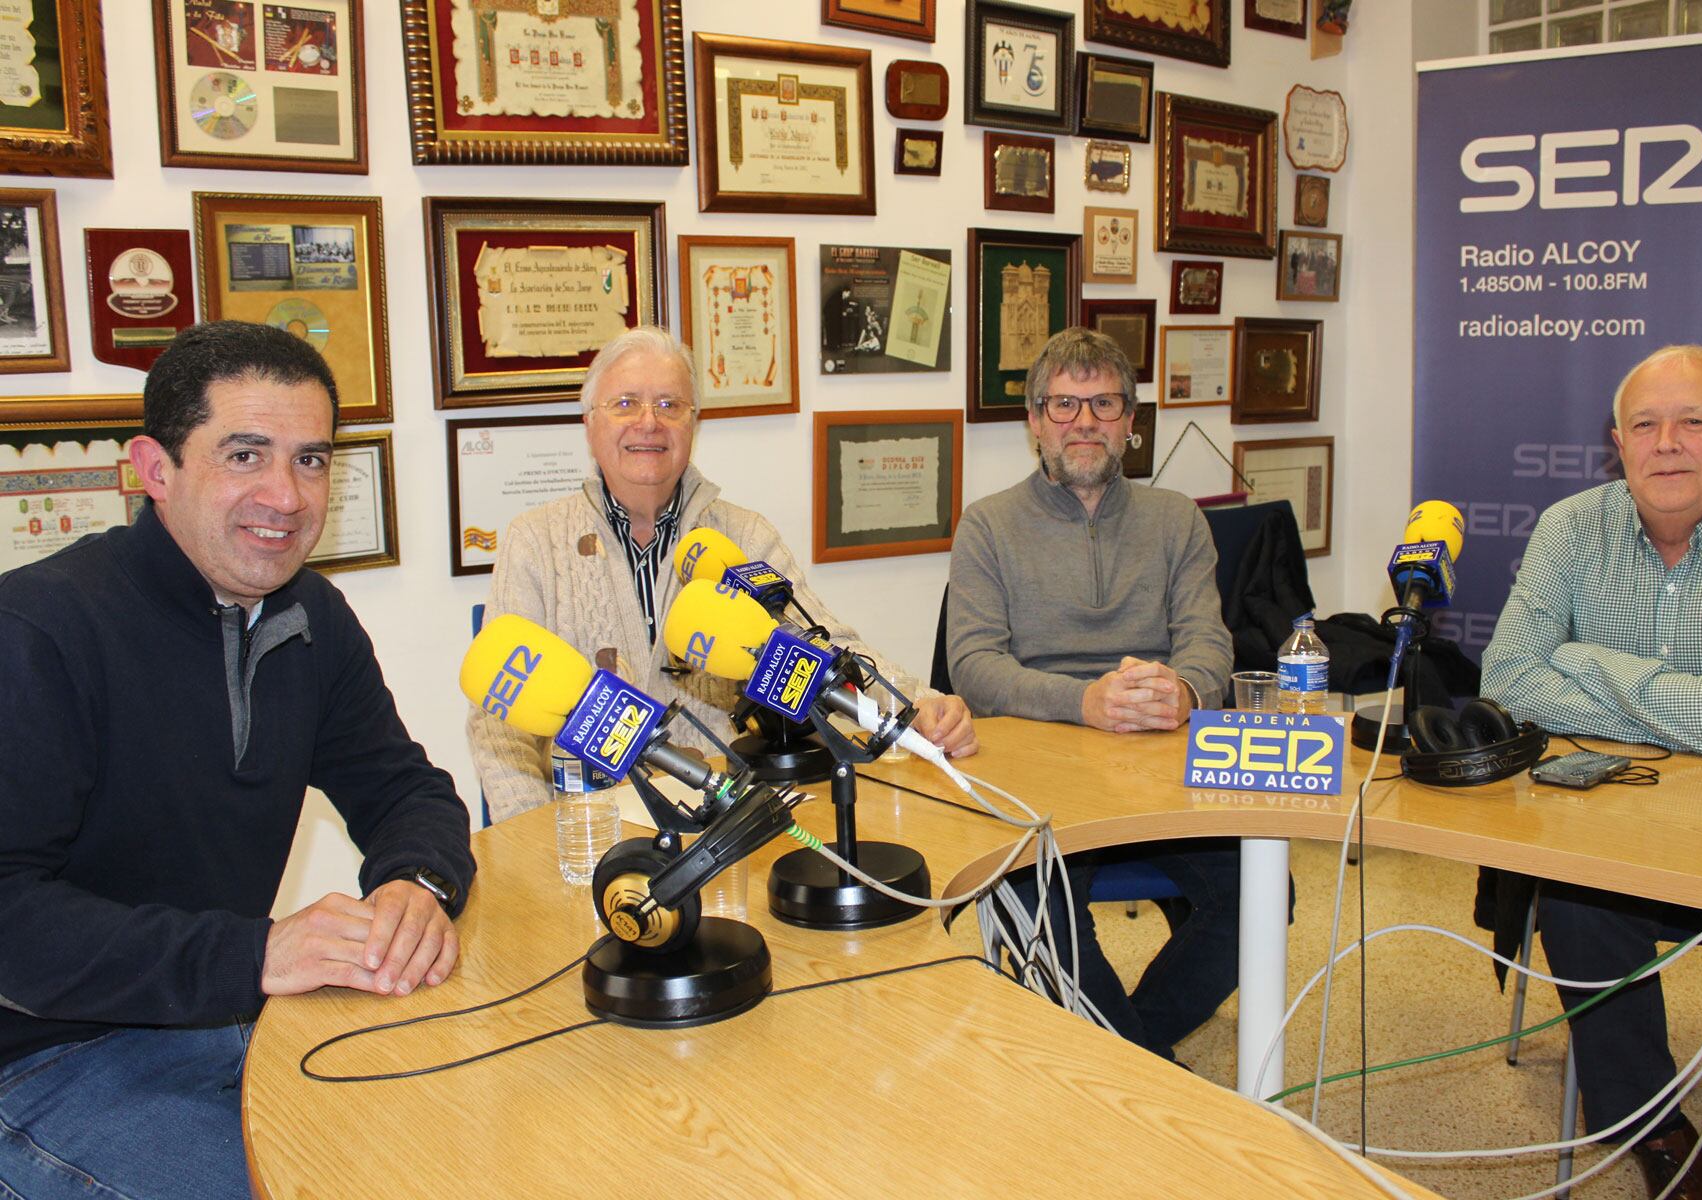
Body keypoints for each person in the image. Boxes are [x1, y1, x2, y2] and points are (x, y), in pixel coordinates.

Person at [0, 320, 477, 1200]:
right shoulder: (36, 630)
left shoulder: (311, 614)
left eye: (310, 460)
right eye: (245, 455)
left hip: (229, 1020)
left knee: (457, 1149)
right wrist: (256, 953)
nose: (286, 496)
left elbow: (403, 788)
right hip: (42, 1062)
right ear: (155, 469)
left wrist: (417, 884)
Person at [1483, 344, 1702, 1200]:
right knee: (1576, 895)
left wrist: (1584, 661)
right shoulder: (1568, 528)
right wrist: (1692, 709)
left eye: (1693, 422)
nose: (1666, 444)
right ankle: (1648, 1120)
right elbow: (1506, 680)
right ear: (1616, 443)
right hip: (1610, 820)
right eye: (1645, 425)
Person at [469, 326, 976, 822]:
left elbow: (824, 649)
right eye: (625, 403)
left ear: (693, 424)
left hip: (736, 815)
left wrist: (921, 706)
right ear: (589, 423)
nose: (649, 422)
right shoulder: (534, 541)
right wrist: (536, 837)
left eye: (669, 405)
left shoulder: (741, 536)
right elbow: (497, 724)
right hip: (593, 829)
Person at [945, 326, 1236, 1060]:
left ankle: (1133, 1060)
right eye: (1064, 405)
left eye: (1104, 404)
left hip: (1160, 762)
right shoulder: (987, 525)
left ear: (1130, 422)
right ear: (1034, 421)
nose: (1084, 422)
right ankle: (1146, 1074)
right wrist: (1084, 703)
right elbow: (973, 666)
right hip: (1040, 766)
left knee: (1260, 897)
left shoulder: (1177, 519)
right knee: (1037, 905)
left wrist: (1186, 690)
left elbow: (1209, 642)